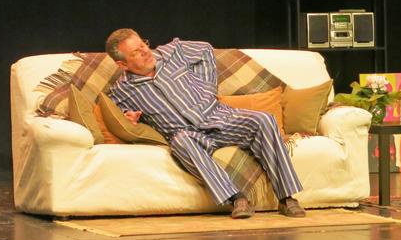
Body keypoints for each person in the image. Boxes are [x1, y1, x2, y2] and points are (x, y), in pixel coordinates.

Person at [105, 28, 306, 219]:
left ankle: (286, 198)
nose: (145, 52)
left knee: (264, 119)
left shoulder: (171, 53)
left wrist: (207, 89)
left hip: (219, 117)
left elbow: (205, 49)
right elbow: (119, 115)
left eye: (143, 44)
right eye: (136, 52)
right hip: (189, 135)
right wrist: (128, 118)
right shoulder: (122, 91)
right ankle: (236, 198)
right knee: (181, 141)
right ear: (122, 64)